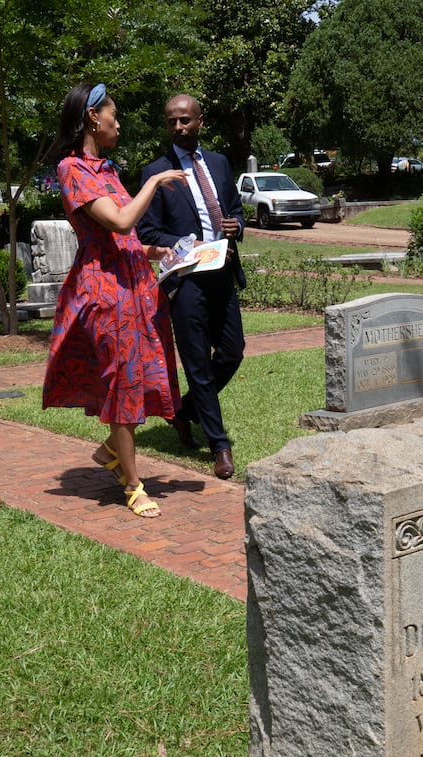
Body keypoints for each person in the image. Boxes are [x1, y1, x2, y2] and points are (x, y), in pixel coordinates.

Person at [43, 83, 187, 517]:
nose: (118, 122)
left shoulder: (106, 170)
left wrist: (156, 251)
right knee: (122, 382)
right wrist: (156, 181)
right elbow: (121, 222)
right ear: (92, 117)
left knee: (144, 375)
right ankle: (134, 485)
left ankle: (111, 451)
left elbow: (123, 239)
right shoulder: (72, 169)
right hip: (107, 293)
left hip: (136, 285)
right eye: (113, 114)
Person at [137, 93, 247, 481]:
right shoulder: (157, 173)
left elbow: (234, 209)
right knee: (198, 362)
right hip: (186, 283)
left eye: (185, 120)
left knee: (233, 352)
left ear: (201, 121)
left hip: (223, 273)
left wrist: (237, 225)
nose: (178, 127)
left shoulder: (218, 163)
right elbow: (147, 232)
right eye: (171, 122)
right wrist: (189, 245)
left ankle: (184, 410)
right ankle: (219, 445)